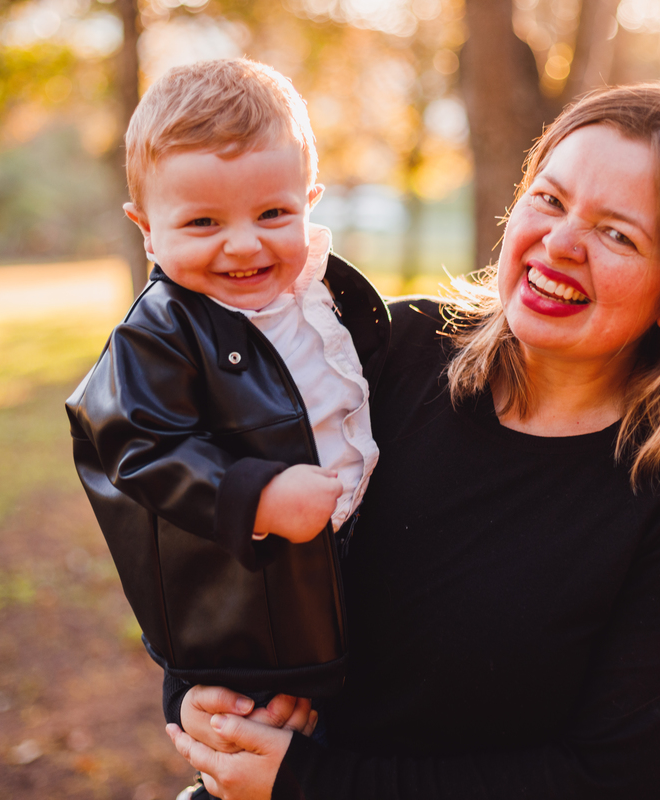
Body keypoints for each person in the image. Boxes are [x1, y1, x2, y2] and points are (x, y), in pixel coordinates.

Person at [163, 82, 660, 800]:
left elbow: (616, 780)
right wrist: (201, 692)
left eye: (617, 234)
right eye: (549, 199)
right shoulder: (383, 351)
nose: (560, 242)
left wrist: (311, 783)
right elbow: (211, 532)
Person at [65, 58, 388, 708]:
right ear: (147, 229)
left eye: (272, 213)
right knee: (260, 750)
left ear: (310, 202)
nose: (243, 246)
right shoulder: (160, 333)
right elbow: (136, 445)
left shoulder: (322, 295)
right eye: (204, 223)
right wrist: (257, 496)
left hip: (352, 569)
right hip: (254, 629)